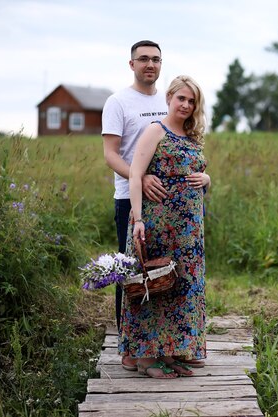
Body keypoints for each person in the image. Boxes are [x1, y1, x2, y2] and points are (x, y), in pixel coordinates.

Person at [119, 75, 210, 379]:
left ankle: (171, 351)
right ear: (170, 98)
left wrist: (207, 180)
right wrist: (138, 218)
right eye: (181, 98)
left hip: (188, 231)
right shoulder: (155, 130)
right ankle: (145, 358)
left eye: (191, 100)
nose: (186, 104)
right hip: (158, 223)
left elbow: (195, 172)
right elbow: (135, 174)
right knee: (153, 287)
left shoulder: (192, 135)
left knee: (180, 286)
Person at [101, 40, 169, 373]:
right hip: (130, 197)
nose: (150, 64)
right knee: (130, 270)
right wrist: (139, 177)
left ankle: (162, 343)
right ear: (131, 64)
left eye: (156, 59)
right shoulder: (118, 102)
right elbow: (111, 154)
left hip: (167, 199)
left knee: (163, 270)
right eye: (143, 59)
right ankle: (127, 347)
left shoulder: (169, 99)